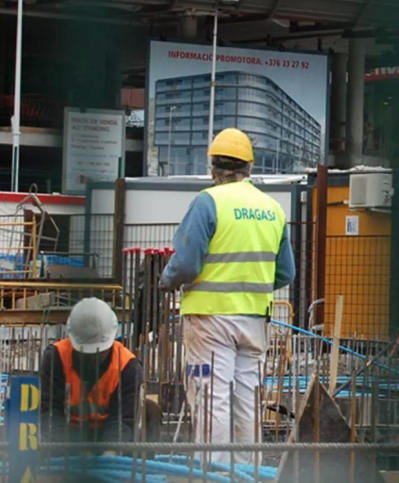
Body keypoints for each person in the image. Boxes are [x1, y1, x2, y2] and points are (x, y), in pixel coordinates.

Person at [161, 127, 296, 466]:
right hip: (254, 322)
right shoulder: (272, 209)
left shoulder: (209, 201)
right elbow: (286, 273)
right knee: (247, 400)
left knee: (212, 398)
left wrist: (166, 280)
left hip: (210, 321)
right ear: (249, 168)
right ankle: (247, 472)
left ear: (214, 170)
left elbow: (187, 264)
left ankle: (215, 473)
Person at [40, 298, 143, 453]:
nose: (91, 357)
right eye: (85, 352)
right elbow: (50, 413)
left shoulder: (126, 366)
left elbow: (122, 420)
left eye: (98, 353)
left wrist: (110, 453)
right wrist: (73, 453)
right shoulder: (57, 358)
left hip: (105, 434)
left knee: (150, 411)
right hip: (67, 436)